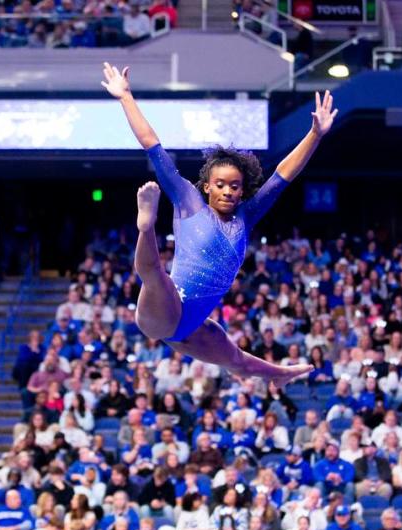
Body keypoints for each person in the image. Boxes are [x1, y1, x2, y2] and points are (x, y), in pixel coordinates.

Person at [102, 61, 335, 385]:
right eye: (221, 184)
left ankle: (280, 376)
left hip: (188, 326)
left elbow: (283, 175)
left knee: (238, 359)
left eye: (235, 186)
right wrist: (125, 96)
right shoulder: (188, 200)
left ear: (243, 190)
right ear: (207, 186)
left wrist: (315, 134)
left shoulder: (246, 216)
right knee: (156, 276)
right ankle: (146, 225)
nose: (228, 191)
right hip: (162, 311)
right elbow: (153, 145)